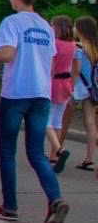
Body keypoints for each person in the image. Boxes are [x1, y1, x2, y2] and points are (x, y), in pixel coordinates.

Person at [0, 0, 69, 223]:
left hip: (17, 93)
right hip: (41, 93)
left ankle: (10, 205)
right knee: (36, 153)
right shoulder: (46, 27)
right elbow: (52, 61)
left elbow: (7, 54)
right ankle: (55, 199)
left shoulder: (12, 23)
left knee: (7, 151)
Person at [63, 16, 98, 172]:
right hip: (91, 89)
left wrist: (69, 85)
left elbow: (74, 70)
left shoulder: (77, 47)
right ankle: (89, 159)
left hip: (76, 87)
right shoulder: (94, 49)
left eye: (76, 26)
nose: (73, 29)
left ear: (81, 29)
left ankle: (56, 152)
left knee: (64, 120)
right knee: (90, 123)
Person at [45, 15, 78, 173]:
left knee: (46, 120)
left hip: (54, 82)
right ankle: (54, 156)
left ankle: (58, 150)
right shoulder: (72, 44)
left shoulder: (54, 44)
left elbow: (51, 67)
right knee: (58, 121)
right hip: (66, 83)